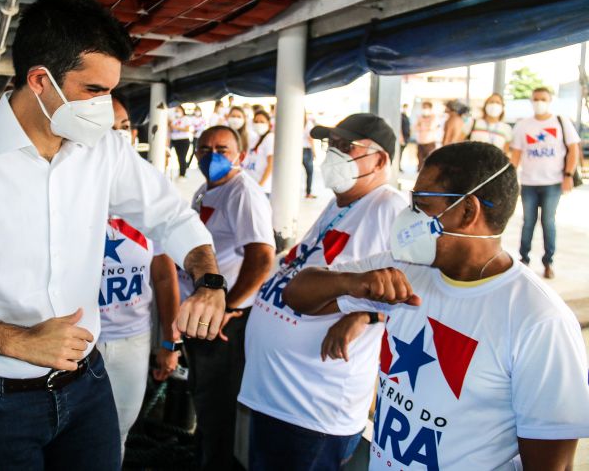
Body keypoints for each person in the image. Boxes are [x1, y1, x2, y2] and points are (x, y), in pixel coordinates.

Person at [0, 0, 226, 471]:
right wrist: (18, 341)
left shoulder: (102, 150)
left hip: (85, 388)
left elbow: (172, 216)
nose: (106, 107)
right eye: (94, 91)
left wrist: (208, 281)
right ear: (40, 80)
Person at [284, 141, 589, 470]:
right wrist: (352, 283)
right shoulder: (407, 269)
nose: (408, 214)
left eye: (422, 202)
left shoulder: (538, 320)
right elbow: (297, 294)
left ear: (468, 211)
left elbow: (550, 463)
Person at [239, 113, 406, 471]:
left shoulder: (389, 208)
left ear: (380, 160)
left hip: (313, 407)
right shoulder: (340, 204)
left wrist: (367, 315)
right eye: (332, 146)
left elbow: (423, 286)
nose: (334, 154)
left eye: (348, 147)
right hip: (278, 396)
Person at [183, 125, 275, 470]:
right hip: (203, 316)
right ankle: (201, 459)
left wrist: (229, 306)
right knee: (203, 398)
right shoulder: (204, 191)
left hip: (227, 323)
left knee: (218, 405)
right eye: (205, 149)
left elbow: (263, 258)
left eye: (222, 149)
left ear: (240, 155)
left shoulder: (242, 192)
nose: (213, 156)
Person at [97, 96, 182, 457]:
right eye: (106, 127)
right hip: (79, 340)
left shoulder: (151, 190)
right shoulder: (69, 186)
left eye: (123, 127)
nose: (117, 136)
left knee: (118, 432)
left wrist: (168, 343)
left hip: (132, 340)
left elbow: (163, 275)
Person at [510, 87, 580, 279]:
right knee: (527, 223)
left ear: (550, 100)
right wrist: (510, 179)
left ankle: (548, 262)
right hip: (529, 183)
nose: (539, 102)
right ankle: (523, 259)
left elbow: (573, 150)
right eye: (535, 99)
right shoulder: (523, 125)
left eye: (542, 99)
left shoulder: (561, 122)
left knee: (548, 222)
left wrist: (568, 175)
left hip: (552, 182)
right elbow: (516, 154)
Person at [242, 109, 274, 194]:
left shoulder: (270, 138)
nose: (258, 124)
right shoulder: (255, 138)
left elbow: (271, 164)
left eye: (262, 122)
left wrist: (260, 185)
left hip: (261, 189)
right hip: (251, 186)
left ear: (268, 124)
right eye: (256, 121)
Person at [169, 105, 193, 177]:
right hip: (174, 140)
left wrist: (176, 127)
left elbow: (187, 129)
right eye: (176, 111)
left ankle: (182, 174)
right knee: (177, 157)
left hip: (183, 140)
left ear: (182, 111)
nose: (177, 112)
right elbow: (170, 129)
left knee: (182, 157)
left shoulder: (186, 119)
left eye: (178, 111)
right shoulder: (173, 119)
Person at [414, 101, 437, 167]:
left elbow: (432, 126)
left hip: (430, 142)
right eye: (423, 107)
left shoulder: (433, 117)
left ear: (430, 108)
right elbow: (416, 127)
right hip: (420, 141)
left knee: (430, 159)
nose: (424, 109)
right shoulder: (419, 117)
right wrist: (423, 126)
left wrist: (422, 125)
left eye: (426, 107)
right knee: (420, 158)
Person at [302, 113, 316, 198]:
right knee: (309, 172)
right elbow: (310, 138)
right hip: (306, 149)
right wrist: (314, 151)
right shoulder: (308, 124)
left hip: (296, 149)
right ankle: (308, 193)